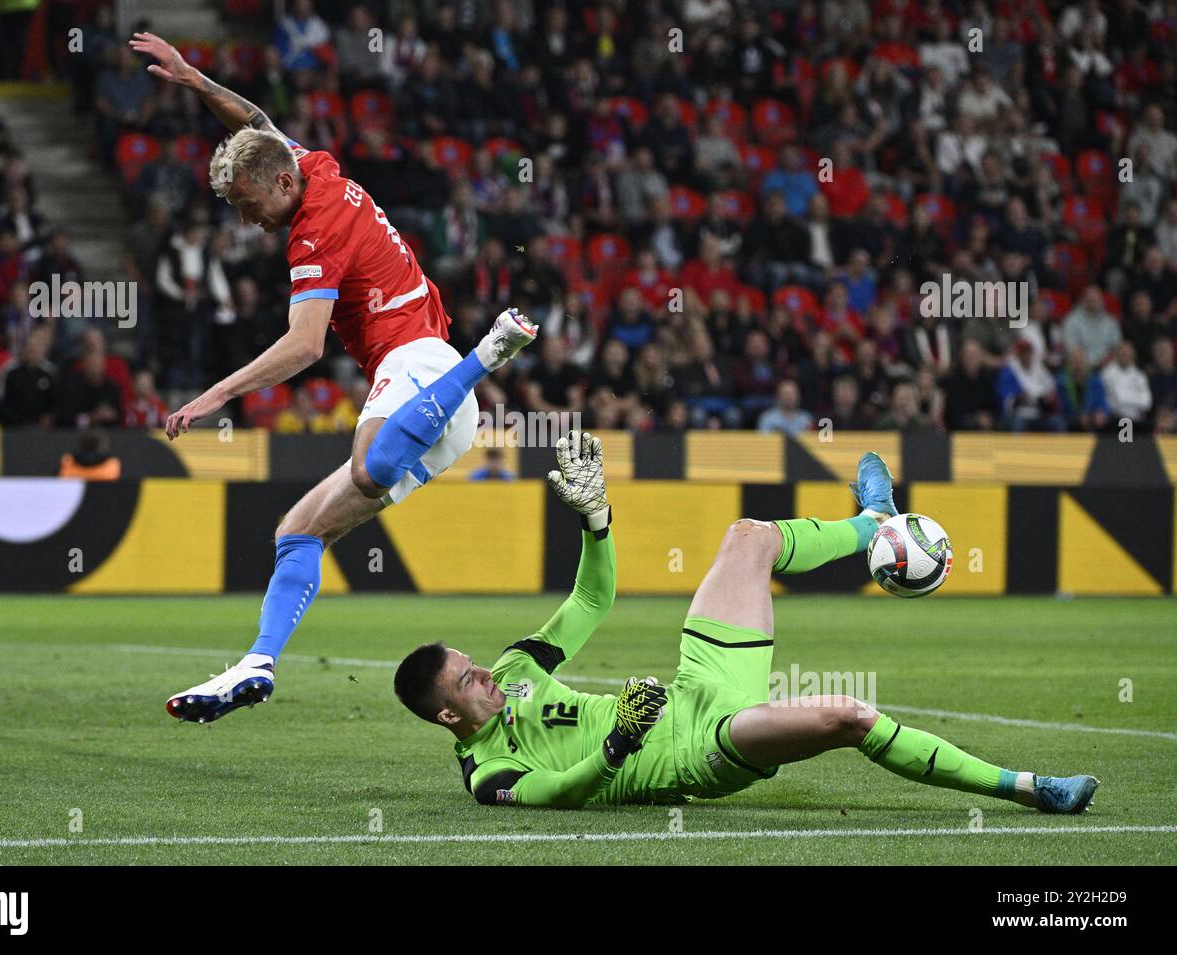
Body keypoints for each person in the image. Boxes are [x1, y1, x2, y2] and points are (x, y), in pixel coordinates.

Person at [130, 33, 539, 723]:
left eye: (248, 202)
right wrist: (196, 81)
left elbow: (304, 345)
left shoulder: (313, 229)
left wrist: (217, 393)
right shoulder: (310, 165)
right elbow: (256, 125)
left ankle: (491, 351)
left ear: (283, 186)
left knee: (368, 467)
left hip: (427, 370)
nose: (245, 218)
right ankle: (258, 661)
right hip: (428, 410)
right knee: (297, 533)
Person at [394, 434, 1098, 814]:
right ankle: (1032, 787)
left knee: (750, 536)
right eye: (468, 677)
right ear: (448, 715)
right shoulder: (487, 774)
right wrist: (616, 743)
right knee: (848, 715)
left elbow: (591, 602)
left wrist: (595, 523)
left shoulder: (516, 668)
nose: (485, 670)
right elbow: (561, 793)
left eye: (471, 660)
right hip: (699, 749)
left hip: (697, 685)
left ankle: (872, 522)